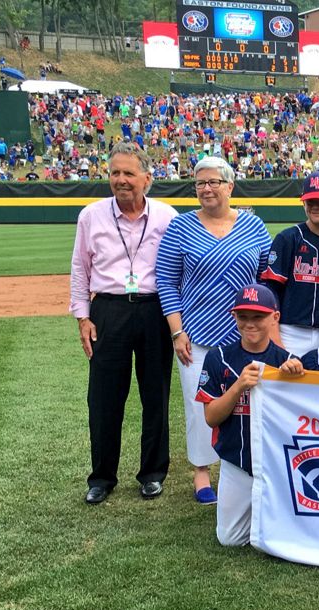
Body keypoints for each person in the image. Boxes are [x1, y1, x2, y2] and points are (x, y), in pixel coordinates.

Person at [157, 155, 273, 505]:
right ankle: (202, 471)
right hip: (197, 334)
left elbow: (267, 276)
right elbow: (166, 280)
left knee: (251, 403)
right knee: (200, 406)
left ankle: (246, 469)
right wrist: (177, 331)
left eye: (213, 182)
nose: (206, 189)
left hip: (247, 333)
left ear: (230, 186)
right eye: (200, 183)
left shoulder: (254, 226)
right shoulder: (180, 226)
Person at [70, 141, 178, 505]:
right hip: (109, 311)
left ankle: (152, 472)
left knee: (155, 395)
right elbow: (79, 268)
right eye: (115, 172)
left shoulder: (167, 217)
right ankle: (102, 477)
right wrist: (83, 316)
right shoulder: (91, 216)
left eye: (129, 173)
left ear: (147, 178)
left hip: (154, 310)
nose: (121, 180)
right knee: (103, 398)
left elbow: (178, 269)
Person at [197, 284, 293, 546]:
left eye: (258, 317)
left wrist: (297, 378)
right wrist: (238, 386)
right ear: (234, 316)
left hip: (276, 464)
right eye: (243, 316)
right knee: (229, 539)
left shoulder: (286, 362)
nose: (250, 324)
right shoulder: (218, 357)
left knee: (283, 534)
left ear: (274, 317)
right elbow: (211, 418)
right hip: (236, 460)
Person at [260, 170, 319, 358]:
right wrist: (275, 338)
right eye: (310, 201)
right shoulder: (288, 238)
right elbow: (271, 291)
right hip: (291, 332)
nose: (316, 206)